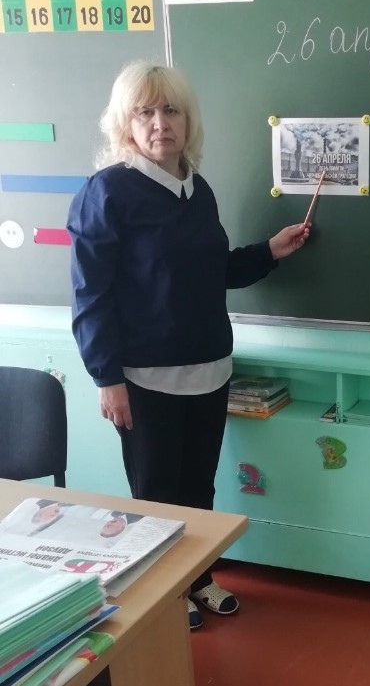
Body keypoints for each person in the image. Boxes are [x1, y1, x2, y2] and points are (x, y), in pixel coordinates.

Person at [67, 61, 310, 631]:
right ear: (125, 123)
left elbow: (211, 271)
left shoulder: (197, 190)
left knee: (199, 488)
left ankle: (197, 579)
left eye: (171, 110)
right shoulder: (108, 192)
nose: (160, 124)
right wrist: (107, 377)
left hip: (210, 370)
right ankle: (163, 596)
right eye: (145, 113)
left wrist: (269, 252)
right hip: (143, 379)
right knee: (156, 496)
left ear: (188, 120)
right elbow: (90, 294)